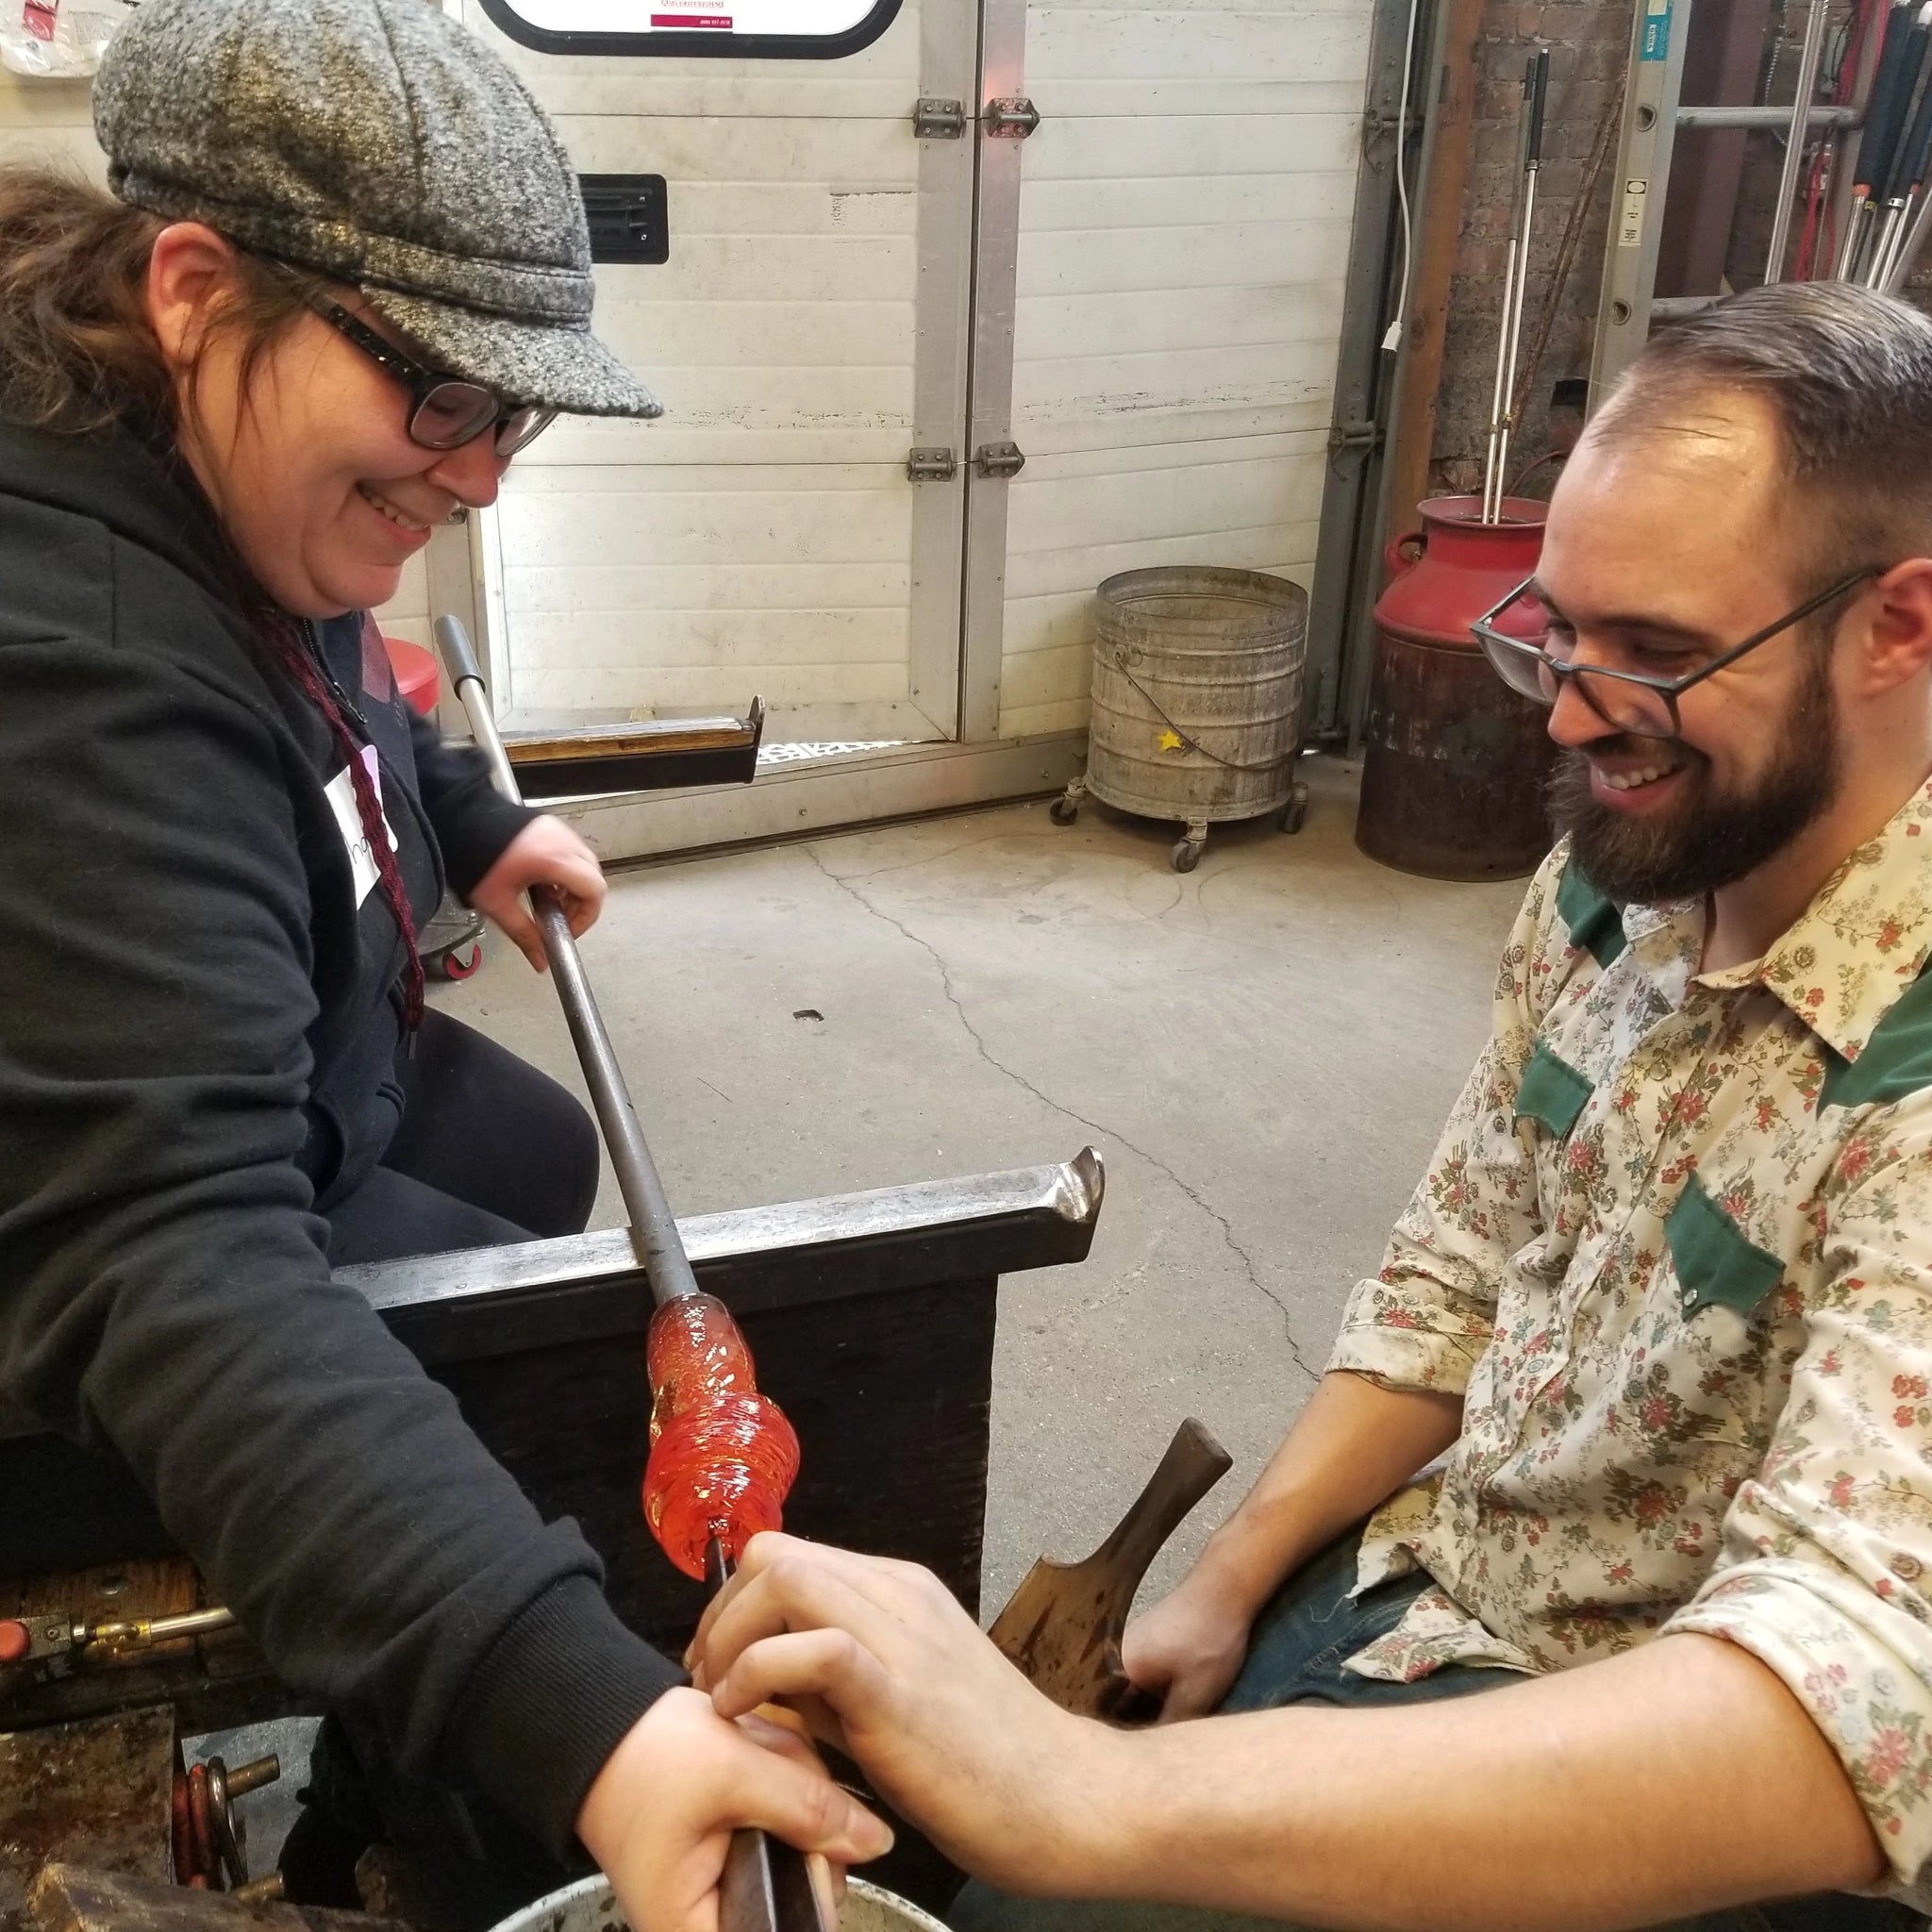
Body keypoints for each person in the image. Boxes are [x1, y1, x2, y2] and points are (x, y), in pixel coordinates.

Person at [686, 283, 1932, 1932]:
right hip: (1436, 1577)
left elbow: (1855, 1692)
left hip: (1678, 1784)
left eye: (1657, 654)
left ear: (1899, 624)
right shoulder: (1620, 885)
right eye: (1561, 631)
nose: (1567, 712)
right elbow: (1458, 1268)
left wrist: (1084, 1800)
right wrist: (1231, 1578)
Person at [0, 0, 887, 1924]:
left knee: (535, 1161)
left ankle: (379, 1742)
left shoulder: (209, 458)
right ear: (194, 287)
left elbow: (348, 672)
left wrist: (471, 824)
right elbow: (169, 1262)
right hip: (83, 1238)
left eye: (514, 411)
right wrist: (596, 1732)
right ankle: (415, 1800)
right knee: (508, 1396)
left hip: (320, 1055)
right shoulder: (68, 675)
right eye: (442, 395)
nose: (481, 477)